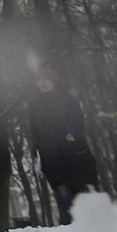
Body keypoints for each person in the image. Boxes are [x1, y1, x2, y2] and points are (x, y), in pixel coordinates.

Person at [25, 66, 101, 223]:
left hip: (72, 150)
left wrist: (73, 132)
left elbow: (77, 118)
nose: (43, 83)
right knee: (60, 189)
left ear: (53, 81)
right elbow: (33, 130)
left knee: (79, 188)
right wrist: (35, 152)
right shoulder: (34, 105)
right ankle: (67, 224)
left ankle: (90, 221)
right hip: (49, 154)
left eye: (46, 80)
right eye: (39, 81)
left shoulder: (67, 99)